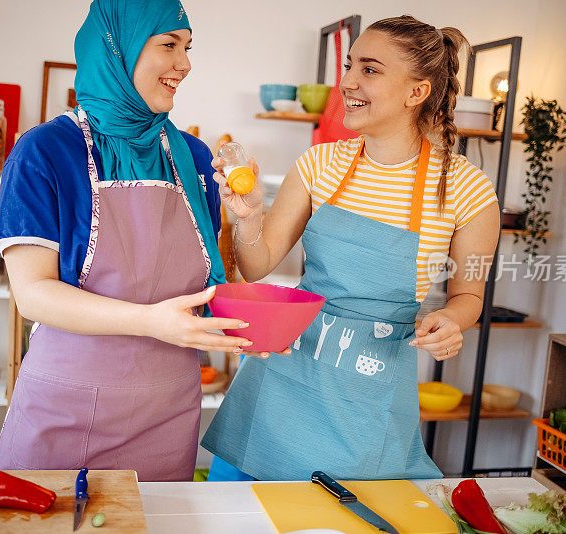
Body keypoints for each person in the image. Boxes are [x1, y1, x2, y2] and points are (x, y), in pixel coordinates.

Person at [202, 15, 501, 481]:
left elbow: (469, 296)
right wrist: (248, 218)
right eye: (349, 65)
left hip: (367, 396)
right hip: (284, 376)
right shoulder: (320, 163)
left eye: (370, 69)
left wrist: (452, 321)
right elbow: (257, 266)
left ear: (416, 91)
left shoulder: (467, 190)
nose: (347, 82)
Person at [0, 0, 251, 482]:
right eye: (169, 45)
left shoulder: (193, 158)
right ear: (118, 48)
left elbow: (209, 284)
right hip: (65, 409)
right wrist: (150, 322)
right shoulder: (45, 151)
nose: (186, 64)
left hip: (167, 413)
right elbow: (33, 293)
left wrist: (252, 328)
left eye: (188, 47)